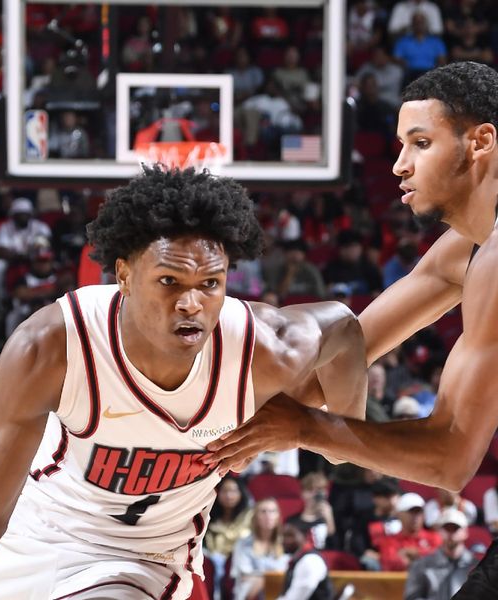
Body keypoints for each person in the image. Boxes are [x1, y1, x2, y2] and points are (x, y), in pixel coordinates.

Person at [0, 166, 368, 599]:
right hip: (36, 531)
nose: (191, 303)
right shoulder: (53, 346)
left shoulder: (263, 349)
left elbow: (345, 328)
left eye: (211, 284)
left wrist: (337, 440)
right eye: (169, 282)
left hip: (144, 560)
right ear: (123, 273)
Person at [203, 62, 498, 597]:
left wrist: (307, 429)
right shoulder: (468, 246)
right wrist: (226, 423)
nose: (399, 166)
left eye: (421, 143)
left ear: (480, 142)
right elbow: (347, 345)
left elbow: (450, 459)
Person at [404, 508, 477, 600]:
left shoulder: (476, 566)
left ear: (465, 532)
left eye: (455, 528)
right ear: (440, 531)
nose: (451, 533)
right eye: (447, 528)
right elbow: (412, 597)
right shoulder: (421, 565)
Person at [231, 498, 290, 600]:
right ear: (255, 517)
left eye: (272, 511)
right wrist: (274, 577)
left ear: (278, 516)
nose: (268, 515)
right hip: (250, 595)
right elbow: (244, 578)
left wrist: (260, 577)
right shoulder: (243, 543)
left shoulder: (286, 542)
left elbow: (290, 575)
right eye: (263, 511)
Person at [277, 521, 333, 600]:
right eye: (283, 536)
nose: (284, 540)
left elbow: (295, 598)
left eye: (290, 536)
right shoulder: (298, 558)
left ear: (304, 536)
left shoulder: (310, 561)